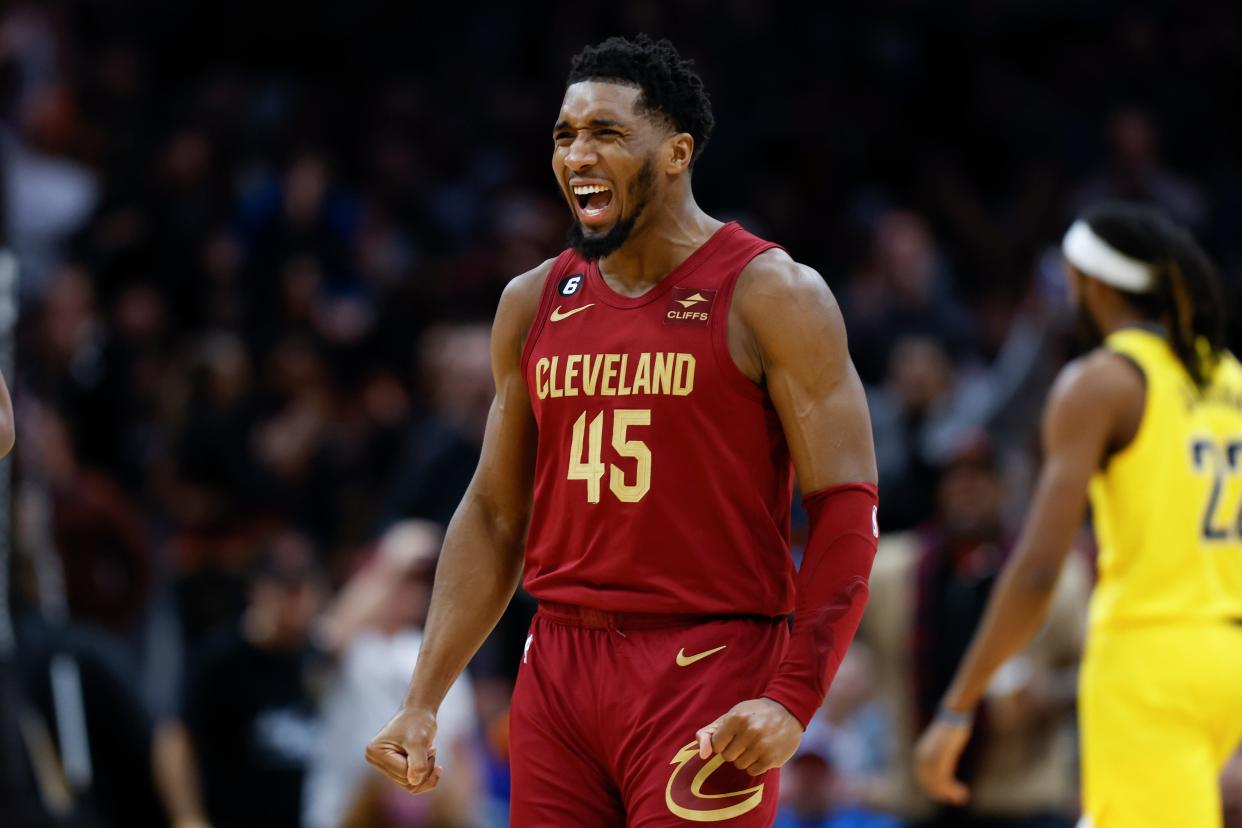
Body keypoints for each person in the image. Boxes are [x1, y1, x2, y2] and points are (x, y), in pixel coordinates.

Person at [366, 34, 878, 827]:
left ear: (676, 152)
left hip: (707, 668)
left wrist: (792, 698)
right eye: (565, 136)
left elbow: (847, 512)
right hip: (561, 667)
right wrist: (424, 698)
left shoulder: (772, 294)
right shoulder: (533, 301)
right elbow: (497, 514)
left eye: (605, 133)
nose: (577, 155)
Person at [914, 202, 1242, 828]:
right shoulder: (1228, 375)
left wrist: (959, 706)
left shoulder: (1101, 382)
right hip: (1228, 655)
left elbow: (1038, 569)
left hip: (1150, 662)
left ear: (1089, 283)